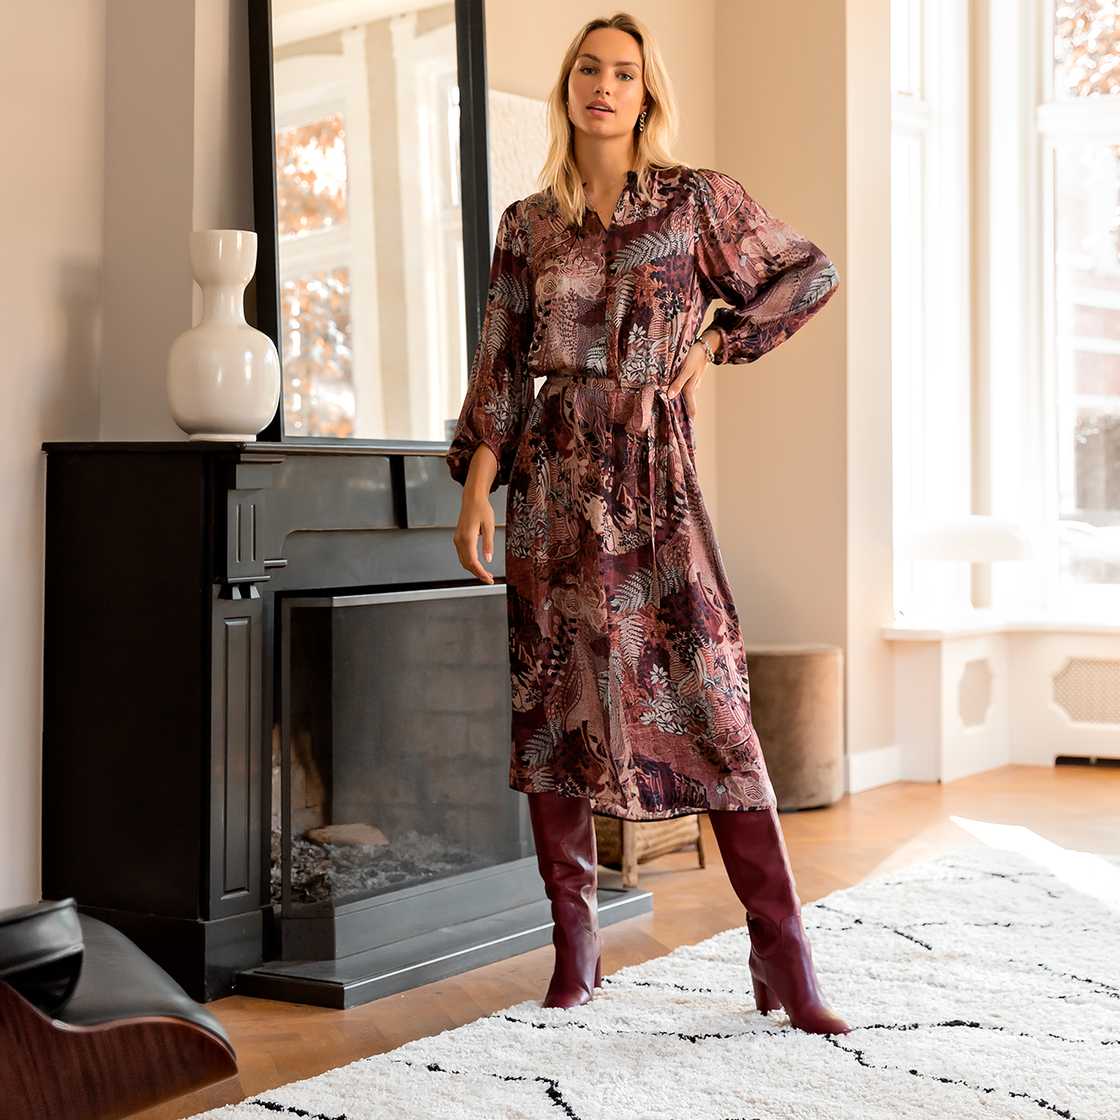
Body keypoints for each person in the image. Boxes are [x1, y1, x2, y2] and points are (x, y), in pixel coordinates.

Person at [446, 11, 849, 1035]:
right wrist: (474, 490)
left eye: (624, 73)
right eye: (588, 69)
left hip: (656, 480)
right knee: (556, 709)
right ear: (567, 88)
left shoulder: (694, 203)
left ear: (646, 94)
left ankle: (785, 960)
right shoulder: (527, 225)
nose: (604, 87)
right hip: (550, 492)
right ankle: (574, 956)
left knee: (711, 697)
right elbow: (501, 361)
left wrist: (715, 340)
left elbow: (808, 271)